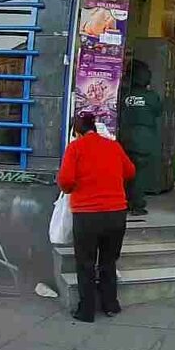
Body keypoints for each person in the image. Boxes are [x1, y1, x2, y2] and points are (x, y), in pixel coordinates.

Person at [57, 112, 135, 322]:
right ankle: (111, 305)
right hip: (116, 213)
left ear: (76, 131)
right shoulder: (113, 146)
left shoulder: (75, 148)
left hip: (87, 215)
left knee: (85, 263)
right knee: (109, 261)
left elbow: (65, 181)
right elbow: (130, 171)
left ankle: (87, 310)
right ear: (95, 126)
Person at [119, 60, 162, 216]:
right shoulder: (152, 97)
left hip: (124, 137)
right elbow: (158, 111)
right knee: (140, 173)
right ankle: (137, 205)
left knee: (124, 172)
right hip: (144, 139)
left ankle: (123, 202)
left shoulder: (123, 94)